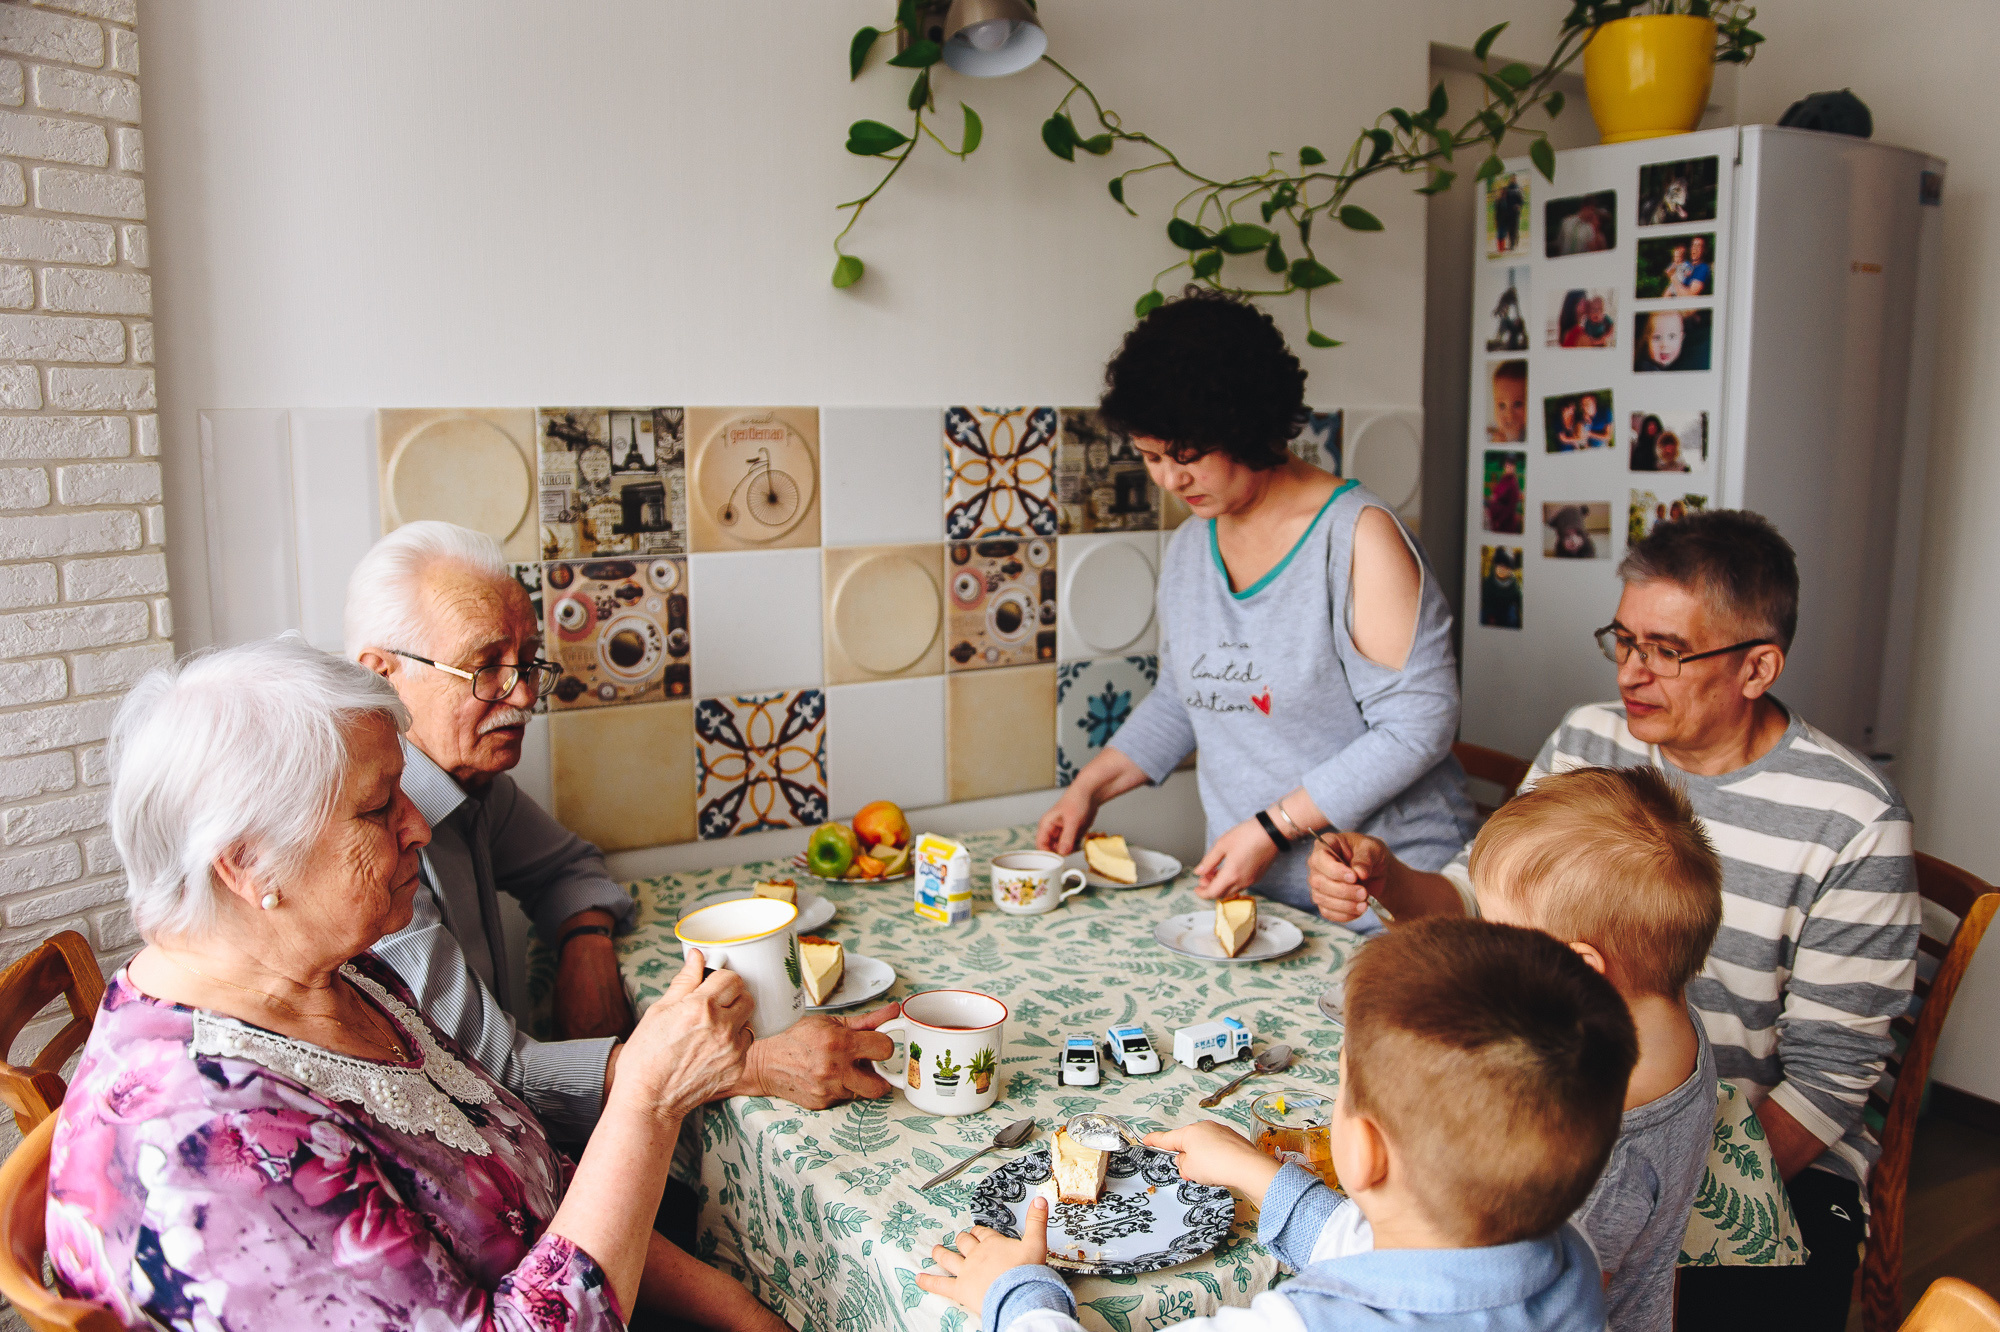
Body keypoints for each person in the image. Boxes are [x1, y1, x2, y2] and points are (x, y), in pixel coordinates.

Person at [48, 637, 782, 1331]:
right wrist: (648, 1097)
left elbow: (551, 1197)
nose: (419, 829)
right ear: (247, 864)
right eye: (377, 808)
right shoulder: (217, 1144)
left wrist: (747, 1317)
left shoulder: (340, 976)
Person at [1309, 510, 1920, 1330]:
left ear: (1757, 666)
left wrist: (1662, 1207)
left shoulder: (1851, 817)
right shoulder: (1589, 739)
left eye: (1667, 651)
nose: (1632, 673)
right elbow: (1482, 900)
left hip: (1753, 1168)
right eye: (1624, 641)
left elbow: (1831, 1080)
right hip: (1564, 1112)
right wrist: (1393, 878)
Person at [345, 521, 899, 1138]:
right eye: (485, 666)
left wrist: (585, 941)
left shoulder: (473, 784)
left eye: (528, 662)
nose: (524, 694)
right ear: (380, 675)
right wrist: (753, 1066)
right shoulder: (371, 847)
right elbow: (493, 1081)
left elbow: (569, 867)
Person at [917, 917, 1637, 1332]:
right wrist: (1259, 1177)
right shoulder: (1565, 1262)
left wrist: (1017, 1293)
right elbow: (1400, 1247)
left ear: (1362, 1147)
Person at [1037, 291, 1476, 930]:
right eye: (1152, 457)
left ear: (1249, 425)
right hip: (1263, 908)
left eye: (1186, 456)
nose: (1168, 480)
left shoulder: (1357, 538)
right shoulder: (1192, 546)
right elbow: (1182, 699)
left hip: (1384, 901)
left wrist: (1272, 827)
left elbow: (1419, 726)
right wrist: (1088, 790)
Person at [1318, 767, 1723, 1332]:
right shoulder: (1669, 1022)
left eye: (1496, 930)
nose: (1481, 940)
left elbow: (1533, 1311)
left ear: (1580, 971)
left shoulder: (1588, 1151)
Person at [1479, 547, 1521, 629]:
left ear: (1510, 570)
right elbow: (1486, 600)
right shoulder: (1489, 582)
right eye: (1499, 566)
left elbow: (1518, 597)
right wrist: (1490, 616)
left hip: (1507, 608)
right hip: (1492, 608)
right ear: (1495, 566)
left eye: (1506, 567)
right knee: (1483, 616)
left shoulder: (1514, 584)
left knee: (1512, 617)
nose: (1502, 569)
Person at [1485, 359, 1527, 442]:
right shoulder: (1490, 433)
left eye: (1518, 404)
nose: (1509, 415)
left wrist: (1512, 440)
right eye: (1501, 405)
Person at [1483, 454, 1523, 535]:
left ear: (1514, 467)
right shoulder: (1503, 479)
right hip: (1494, 519)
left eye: (1511, 465)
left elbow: (1511, 507)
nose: (1508, 467)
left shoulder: (1513, 484)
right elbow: (1497, 492)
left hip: (1504, 524)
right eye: (1507, 464)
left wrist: (1499, 521)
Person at [1492, 174, 1524, 253]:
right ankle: (1510, 244)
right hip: (1508, 213)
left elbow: (1521, 200)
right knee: (1509, 229)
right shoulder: (1508, 188)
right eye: (1512, 178)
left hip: (1515, 212)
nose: (1513, 180)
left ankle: (1514, 243)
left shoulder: (1518, 189)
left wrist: (1519, 205)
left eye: (1514, 178)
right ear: (1511, 179)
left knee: (1515, 228)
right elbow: (1503, 199)